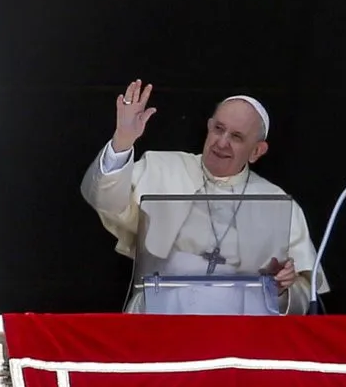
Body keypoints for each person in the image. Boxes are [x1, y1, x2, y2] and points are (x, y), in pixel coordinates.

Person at [81, 79, 328, 314]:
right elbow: (105, 201)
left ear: (256, 151)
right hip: (162, 317)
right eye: (218, 129)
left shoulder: (277, 201)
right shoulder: (161, 167)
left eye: (236, 137)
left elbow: (304, 295)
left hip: (240, 329)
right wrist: (123, 141)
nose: (221, 142)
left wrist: (282, 290)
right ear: (209, 126)